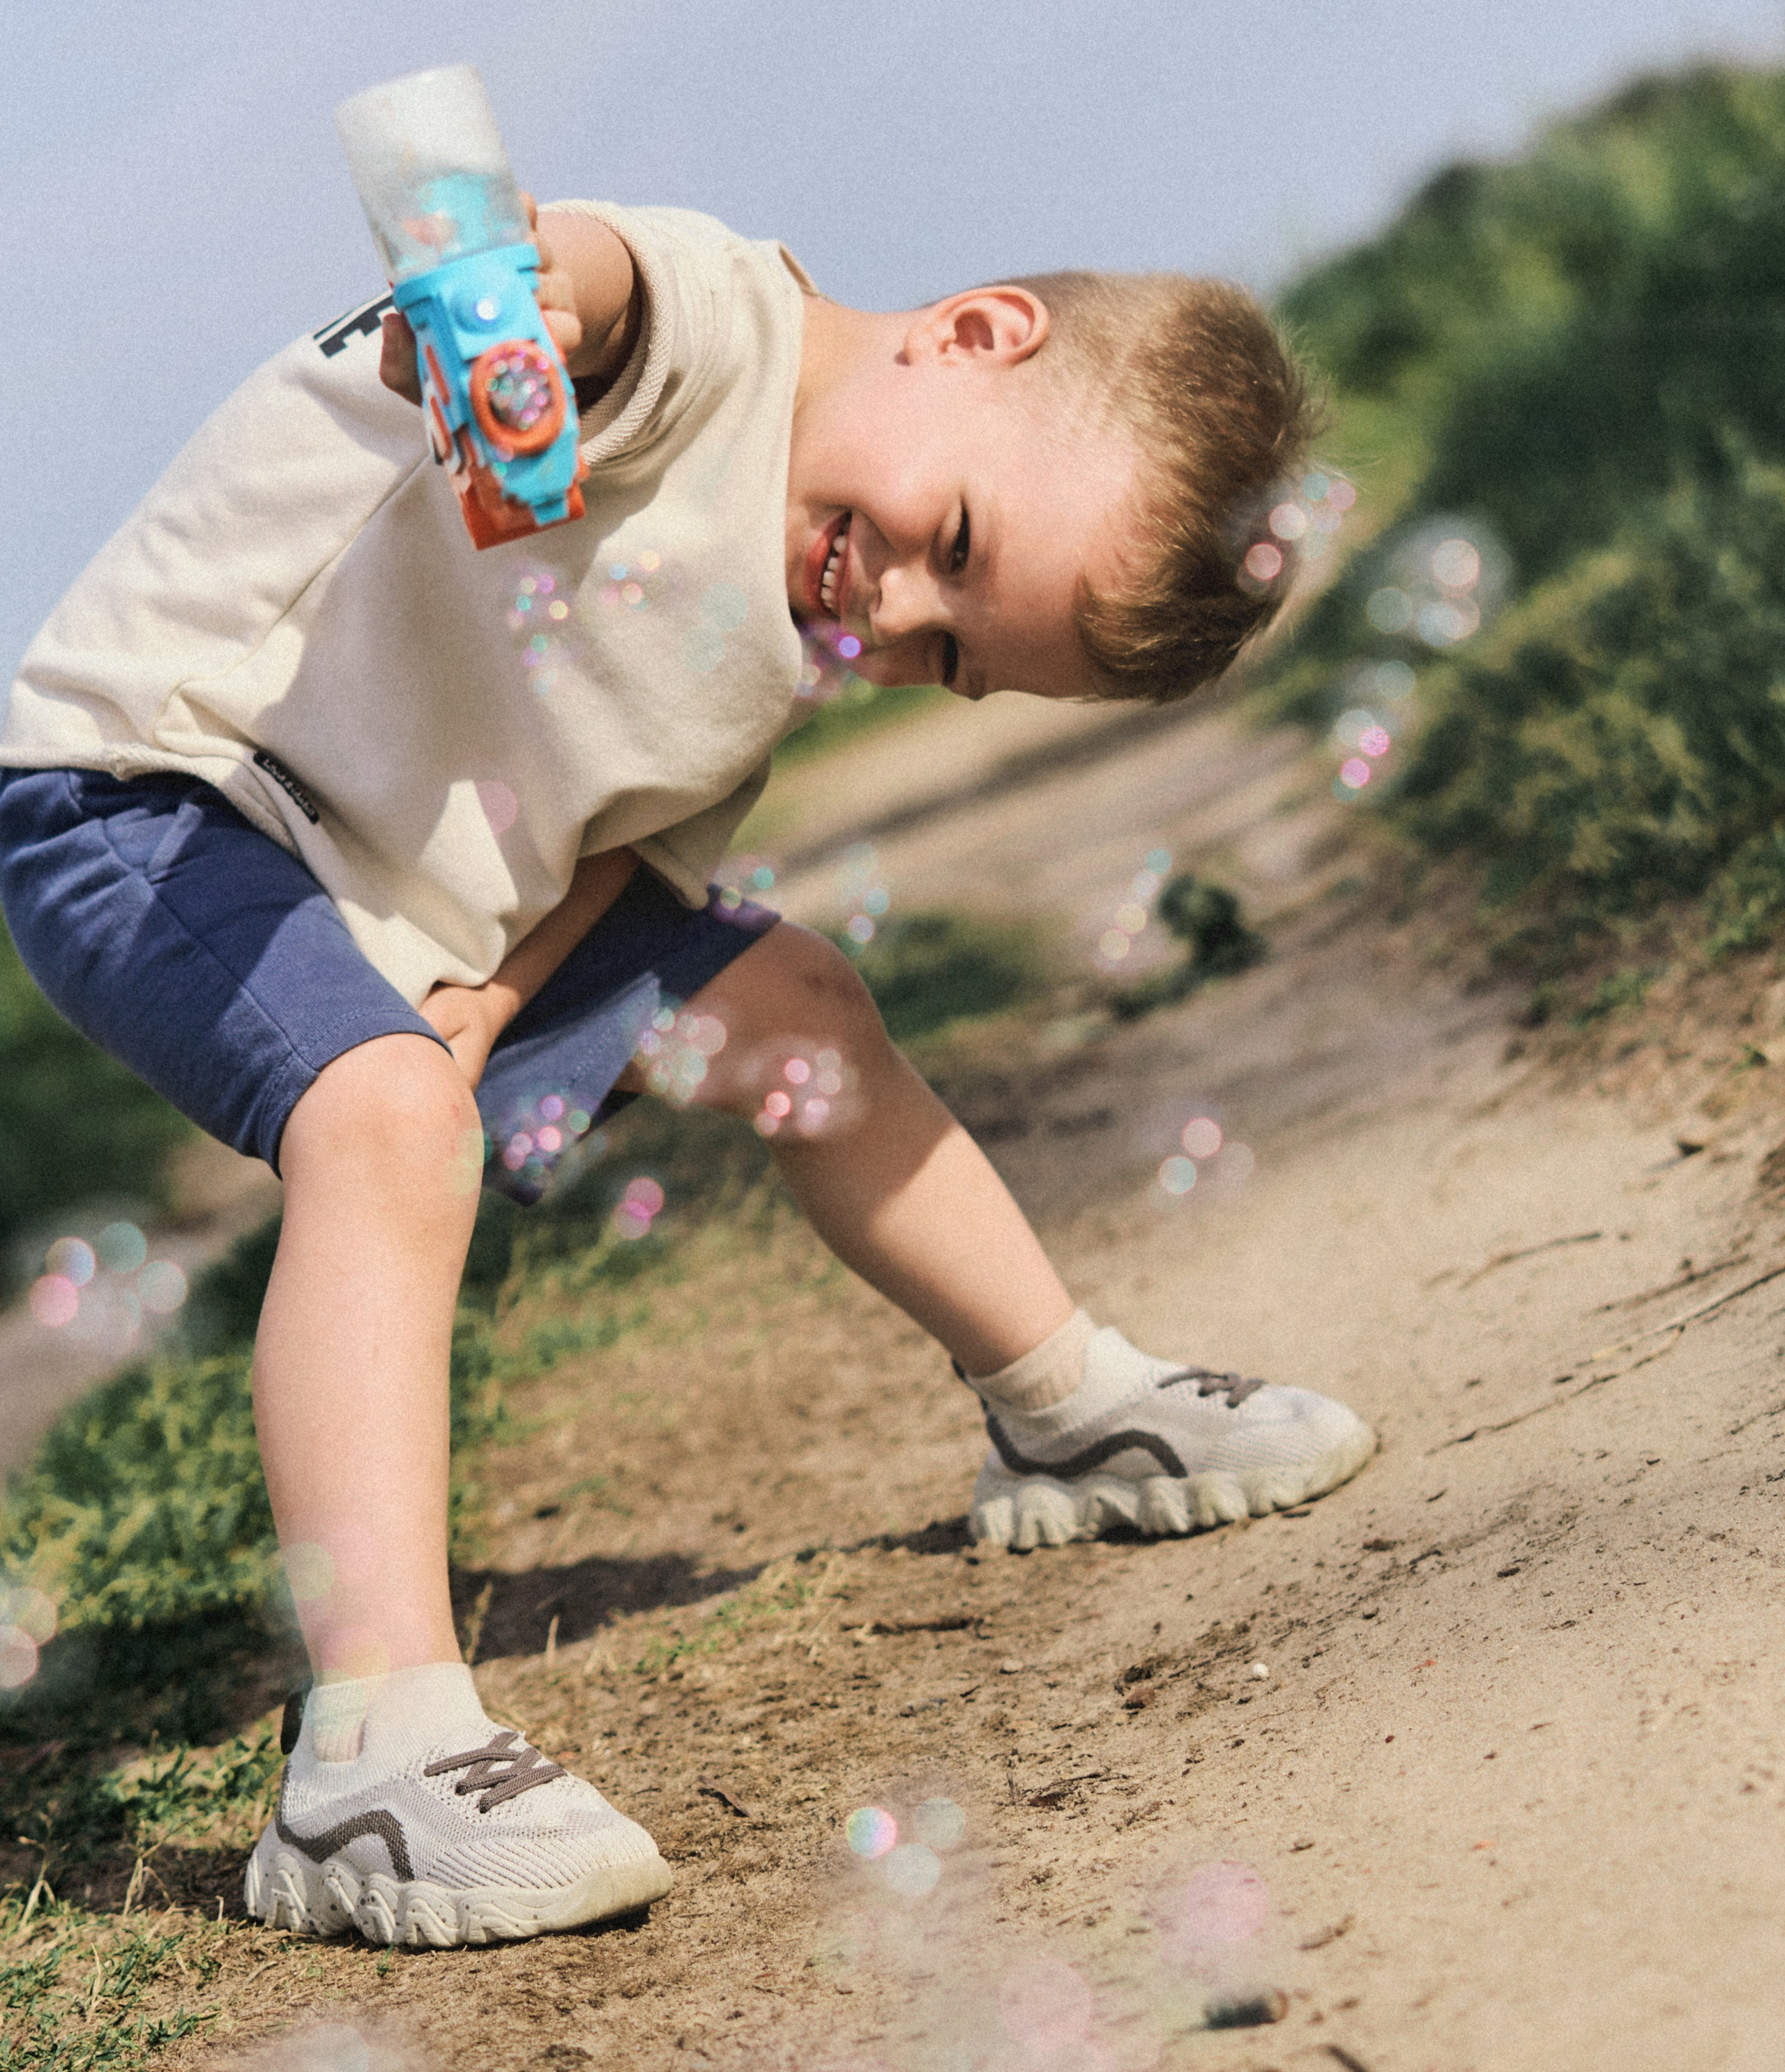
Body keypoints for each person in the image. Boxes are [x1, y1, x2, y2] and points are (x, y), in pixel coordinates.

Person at [0, 196, 1373, 1949]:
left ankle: (1068, 1408)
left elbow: (624, 850)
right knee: (382, 1117)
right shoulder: (721, 341)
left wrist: (495, 1000)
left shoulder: (807, 620)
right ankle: (369, 1757)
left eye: (955, 651)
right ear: (974, 331)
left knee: (795, 998)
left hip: (413, 899)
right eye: (948, 540)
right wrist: (504, 293)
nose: (891, 607)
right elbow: (600, 286)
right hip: (149, 790)